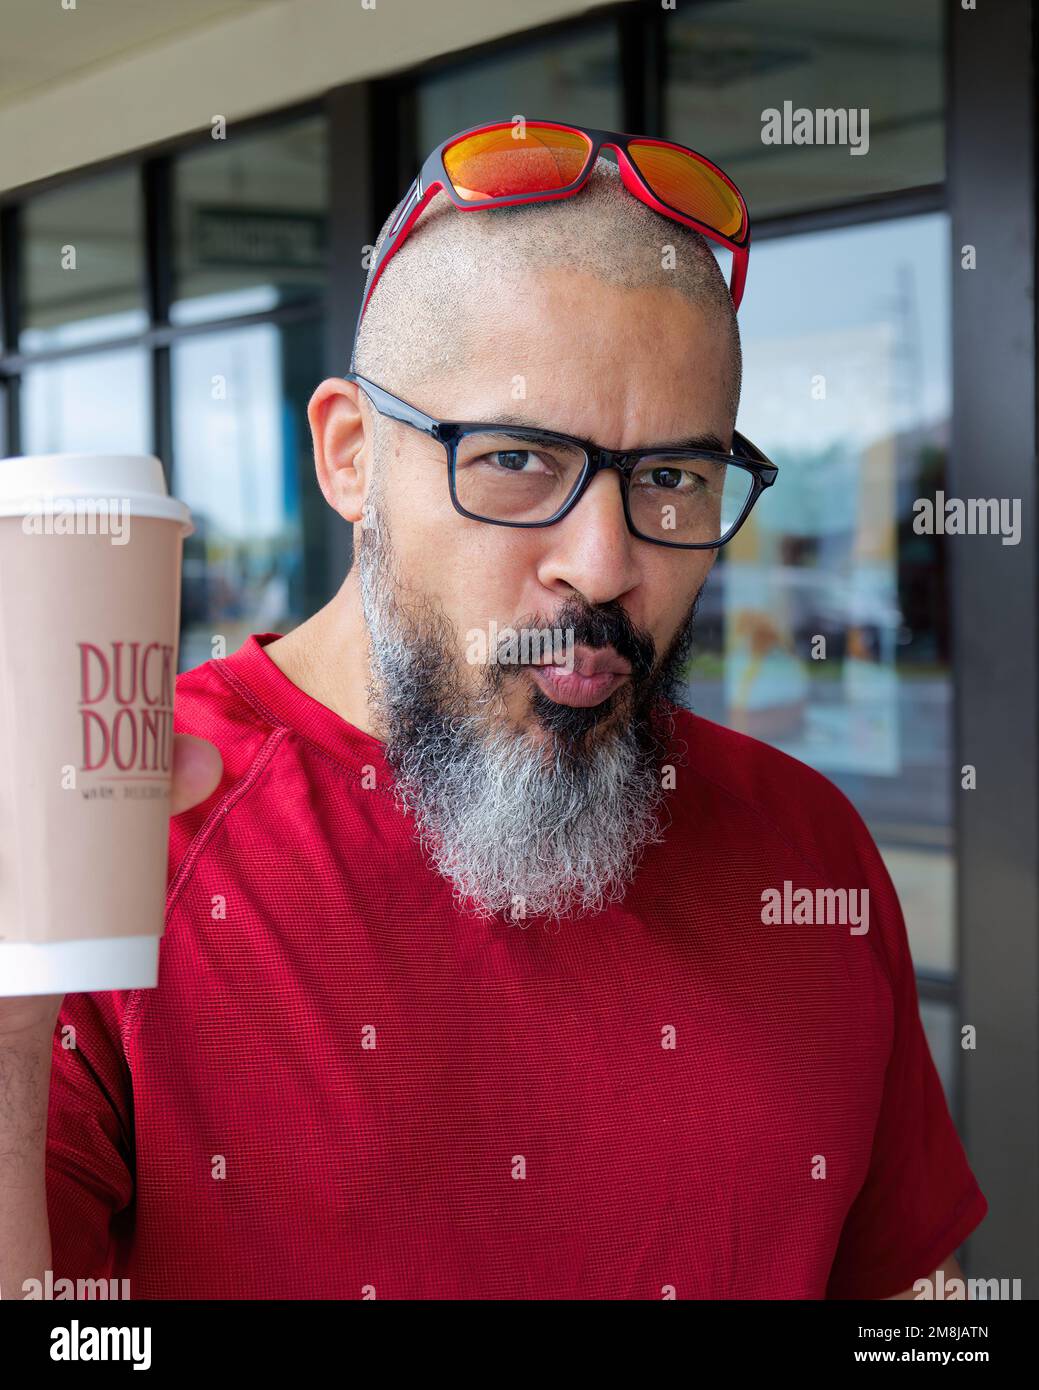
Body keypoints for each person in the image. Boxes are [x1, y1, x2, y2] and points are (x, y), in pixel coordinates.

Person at [2, 123, 986, 1299]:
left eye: (672, 477)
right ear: (352, 455)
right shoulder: (116, 832)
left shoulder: (805, 842)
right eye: (519, 458)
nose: (604, 564)